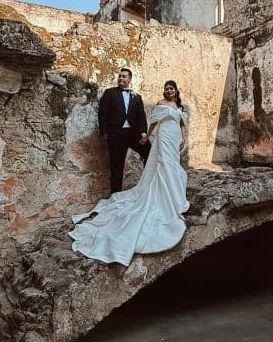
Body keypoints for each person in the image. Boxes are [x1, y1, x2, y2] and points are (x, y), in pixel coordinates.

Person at [69, 80, 189, 266]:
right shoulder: (160, 104)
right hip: (163, 137)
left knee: (172, 166)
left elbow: (182, 124)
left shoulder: (178, 106)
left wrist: (184, 140)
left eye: (171, 88)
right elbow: (153, 123)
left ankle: (175, 196)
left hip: (175, 137)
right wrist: (147, 137)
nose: (168, 90)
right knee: (163, 165)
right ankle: (165, 197)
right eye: (166, 88)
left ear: (175, 90)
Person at [98, 67, 151, 194]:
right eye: (120, 76)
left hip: (133, 133)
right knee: (117, 166)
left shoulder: (137, 97)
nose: (121, 78)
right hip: (116, 134)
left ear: (130, 79)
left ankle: (148, 186)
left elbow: (141, 117)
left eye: (124, 76)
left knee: (150, 151)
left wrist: (144, 133)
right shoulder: (110, 93)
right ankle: (115, 196)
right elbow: (102, 113)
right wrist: (105, 133)